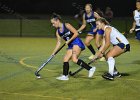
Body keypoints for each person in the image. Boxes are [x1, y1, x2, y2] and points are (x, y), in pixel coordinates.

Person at [50, 13, 96, 81]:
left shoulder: (67, 25)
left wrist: (69, 40)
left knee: (74, 59)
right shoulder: (58, 32)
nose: (53, 25)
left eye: (53, 23)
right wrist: (54, 52)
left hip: (77, 42)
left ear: (57, 21)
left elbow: (76, 33)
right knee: (65, 59)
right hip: (71, 45)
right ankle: (65, 76)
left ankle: (91, 69)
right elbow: (58, 42)